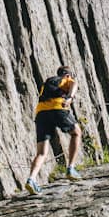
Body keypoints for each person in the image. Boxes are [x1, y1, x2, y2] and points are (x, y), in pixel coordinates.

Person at [26, 65, 83, 193]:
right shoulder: (67, 79)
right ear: (67, 75)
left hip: (41, 113)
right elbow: (74, 84)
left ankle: (31, 179)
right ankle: (71, 168)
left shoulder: (47, 82)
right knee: (76, 133)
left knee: (41, 152)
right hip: (58, 108)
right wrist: (69, 97)